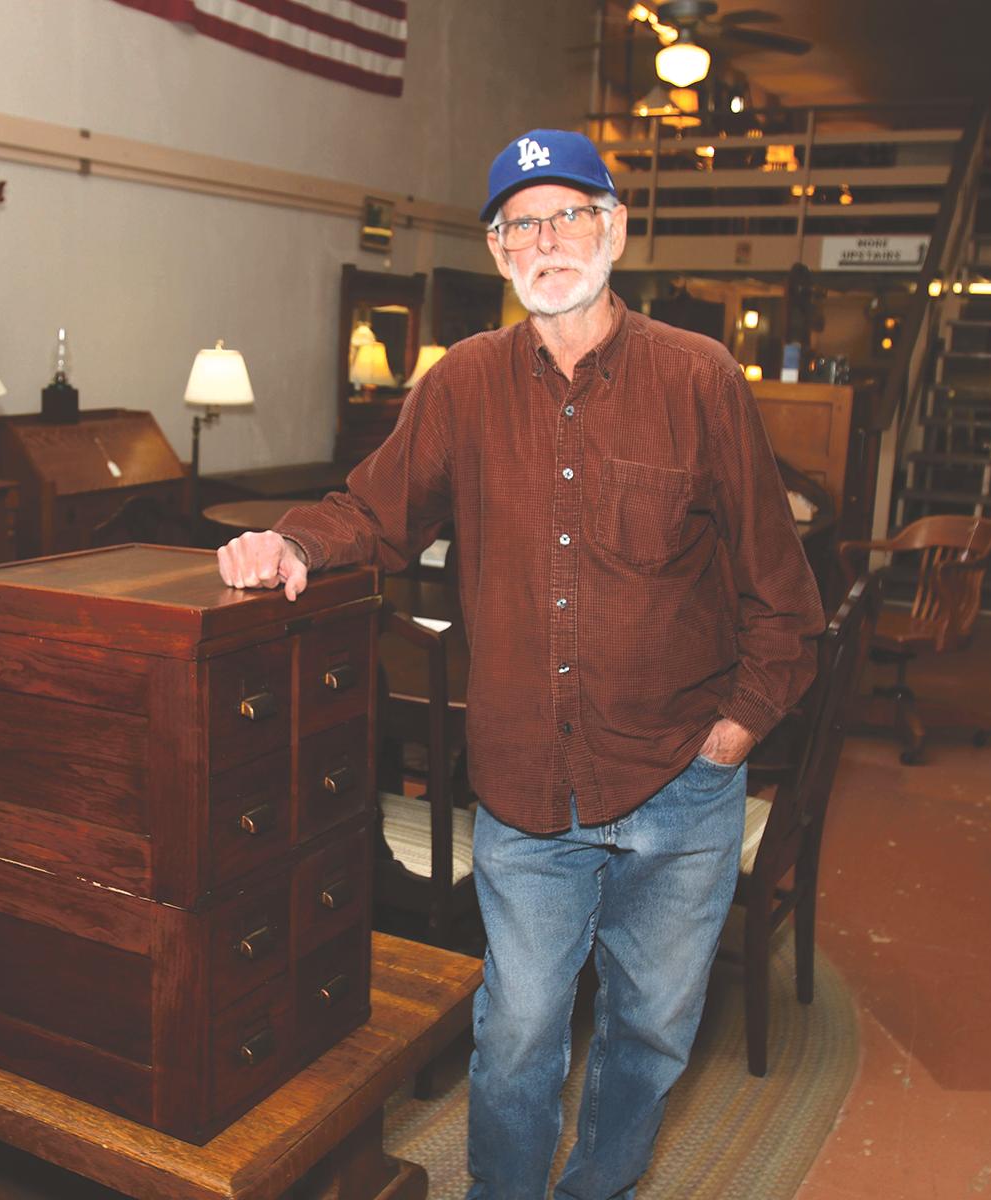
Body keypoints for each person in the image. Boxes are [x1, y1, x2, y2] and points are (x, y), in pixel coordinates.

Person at [217, 128, 823, 1199]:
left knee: (649, 1034)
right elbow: (374, 510)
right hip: (526, 789)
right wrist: (292, 544)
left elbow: (783, 594)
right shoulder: (463, 383)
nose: (546, 242)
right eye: (520, 226)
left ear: (614, 229)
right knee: (516, 1036)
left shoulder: (701, 379)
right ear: (499, 253)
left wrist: (733, 733)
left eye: (568, 215)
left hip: (682, 787)